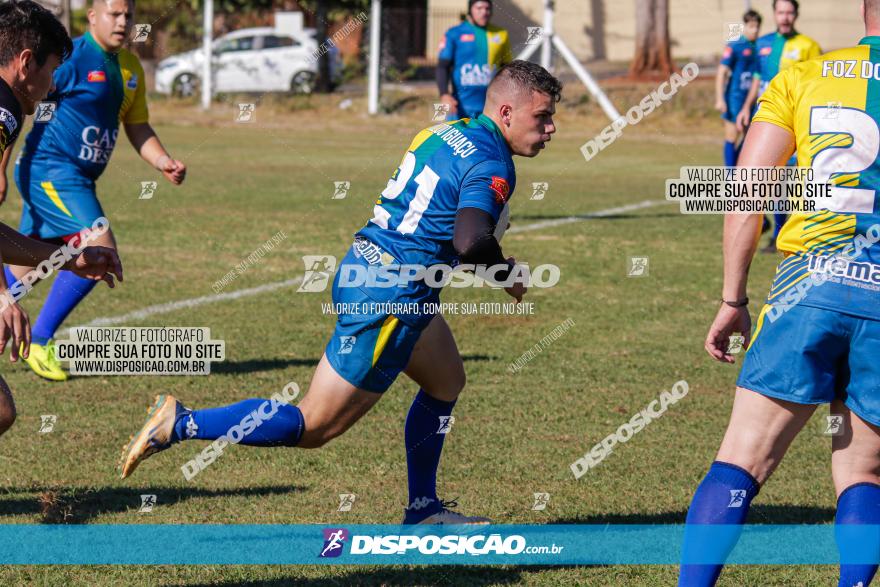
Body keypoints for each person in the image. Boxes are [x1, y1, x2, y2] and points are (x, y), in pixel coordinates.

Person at [120, 60, 561, 525]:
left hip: (371, 267)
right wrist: (505, 274)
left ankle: (423, 510)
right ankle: (180, 422)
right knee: (314, 425)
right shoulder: (493, 162)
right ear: (507, 112)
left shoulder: (444, 131)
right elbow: (470, 240)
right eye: (542, 117)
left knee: (446, 380)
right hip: (394, 296)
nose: (550, 128)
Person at [680, 2, 880, 585]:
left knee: (742, 458)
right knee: (864, 470)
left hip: (809, 286)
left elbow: (747, 191)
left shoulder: (803, 73)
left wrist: (732, 299)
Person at [0, 0, 186, 382]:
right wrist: (2, 168)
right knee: (100, 246)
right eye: (114, 14)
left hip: (79, 178)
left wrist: (162, 160)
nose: (122, 22)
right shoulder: (71, 58)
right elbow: (28, 102)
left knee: (26, 258)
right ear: (93, 17)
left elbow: (138, 126)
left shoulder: (131, 69)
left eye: (128, 15)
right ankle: (40, 340)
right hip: (52, 172)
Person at [0, 0, 124, 439]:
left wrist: (70, 259)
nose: (52, 84)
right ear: (26, 63)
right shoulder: (5, 109)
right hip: (57, 174)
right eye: (51, 70)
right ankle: (43, 339)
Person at [736, 0, 821, 253]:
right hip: (764, 118)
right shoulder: (762, 44)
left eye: (789, 12)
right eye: (780, 12)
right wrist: (744, 109)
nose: (785, 17)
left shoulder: (809, 46)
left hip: (793, 120)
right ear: (774, 14)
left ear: (796, 14)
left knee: (787, 179)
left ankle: (782, 233)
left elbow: (816, 85)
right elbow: (757, 80)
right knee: (759, 178)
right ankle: (767, 229)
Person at [437, 0, 513, 120]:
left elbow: (507, 70)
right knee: (444, 135)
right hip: (458, 106)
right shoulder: (454, 33)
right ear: (470, 10)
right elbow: (442, 66)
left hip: (490, 108)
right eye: (479, 8)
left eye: (487, 8)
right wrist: (444, 95)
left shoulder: (501, 34)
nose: (484, 12)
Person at [715, 10, 761, 167]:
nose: (754, 30)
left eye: (757, 26)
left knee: (750, 138)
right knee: (732, 136)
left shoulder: (760, 47)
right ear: (745, 26)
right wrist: (720, 99)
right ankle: (730, 174)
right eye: (751, 26)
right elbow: (722, 72)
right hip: (734, 98)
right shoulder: (735, 45)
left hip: (752, 99)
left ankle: (737, 170)